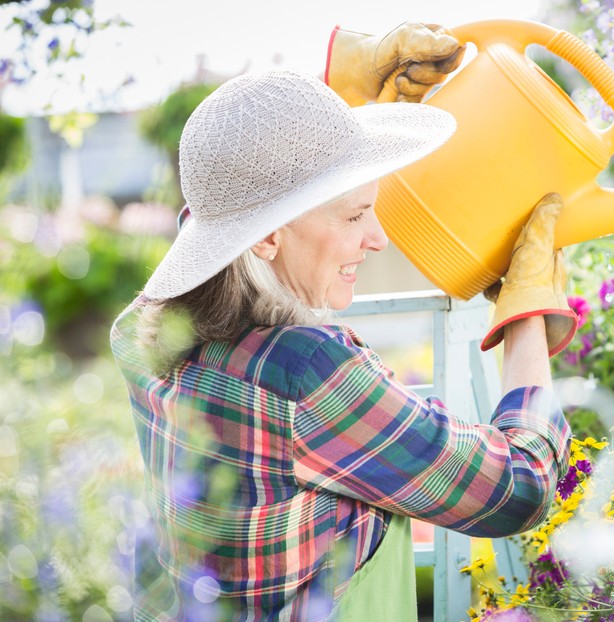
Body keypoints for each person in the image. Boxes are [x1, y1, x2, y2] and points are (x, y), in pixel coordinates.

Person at [111, 22, 577, 622]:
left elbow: (215, 213)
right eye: (357, 215)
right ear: (269, 237)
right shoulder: (308, 371)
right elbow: (518, 488)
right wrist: (528, 308)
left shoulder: (142, 332)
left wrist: (329, 103)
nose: (378, 239)